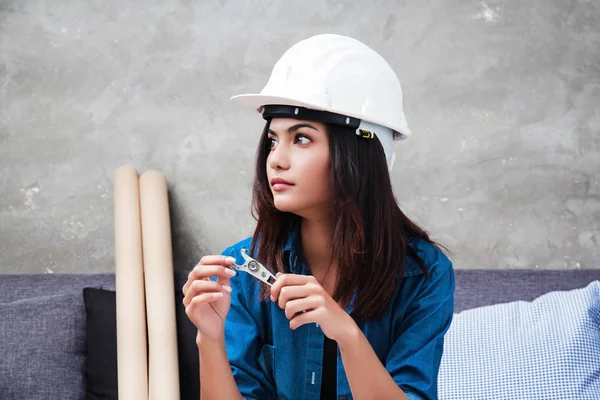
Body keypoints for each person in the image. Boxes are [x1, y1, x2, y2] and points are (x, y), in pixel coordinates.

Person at [182, 34, 455, 400]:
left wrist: (346, 332)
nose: (276, 159)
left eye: (302, 139)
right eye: (273, 140)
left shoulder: (424, 274)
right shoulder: (244, 272)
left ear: (357, 155)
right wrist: (209, 338)